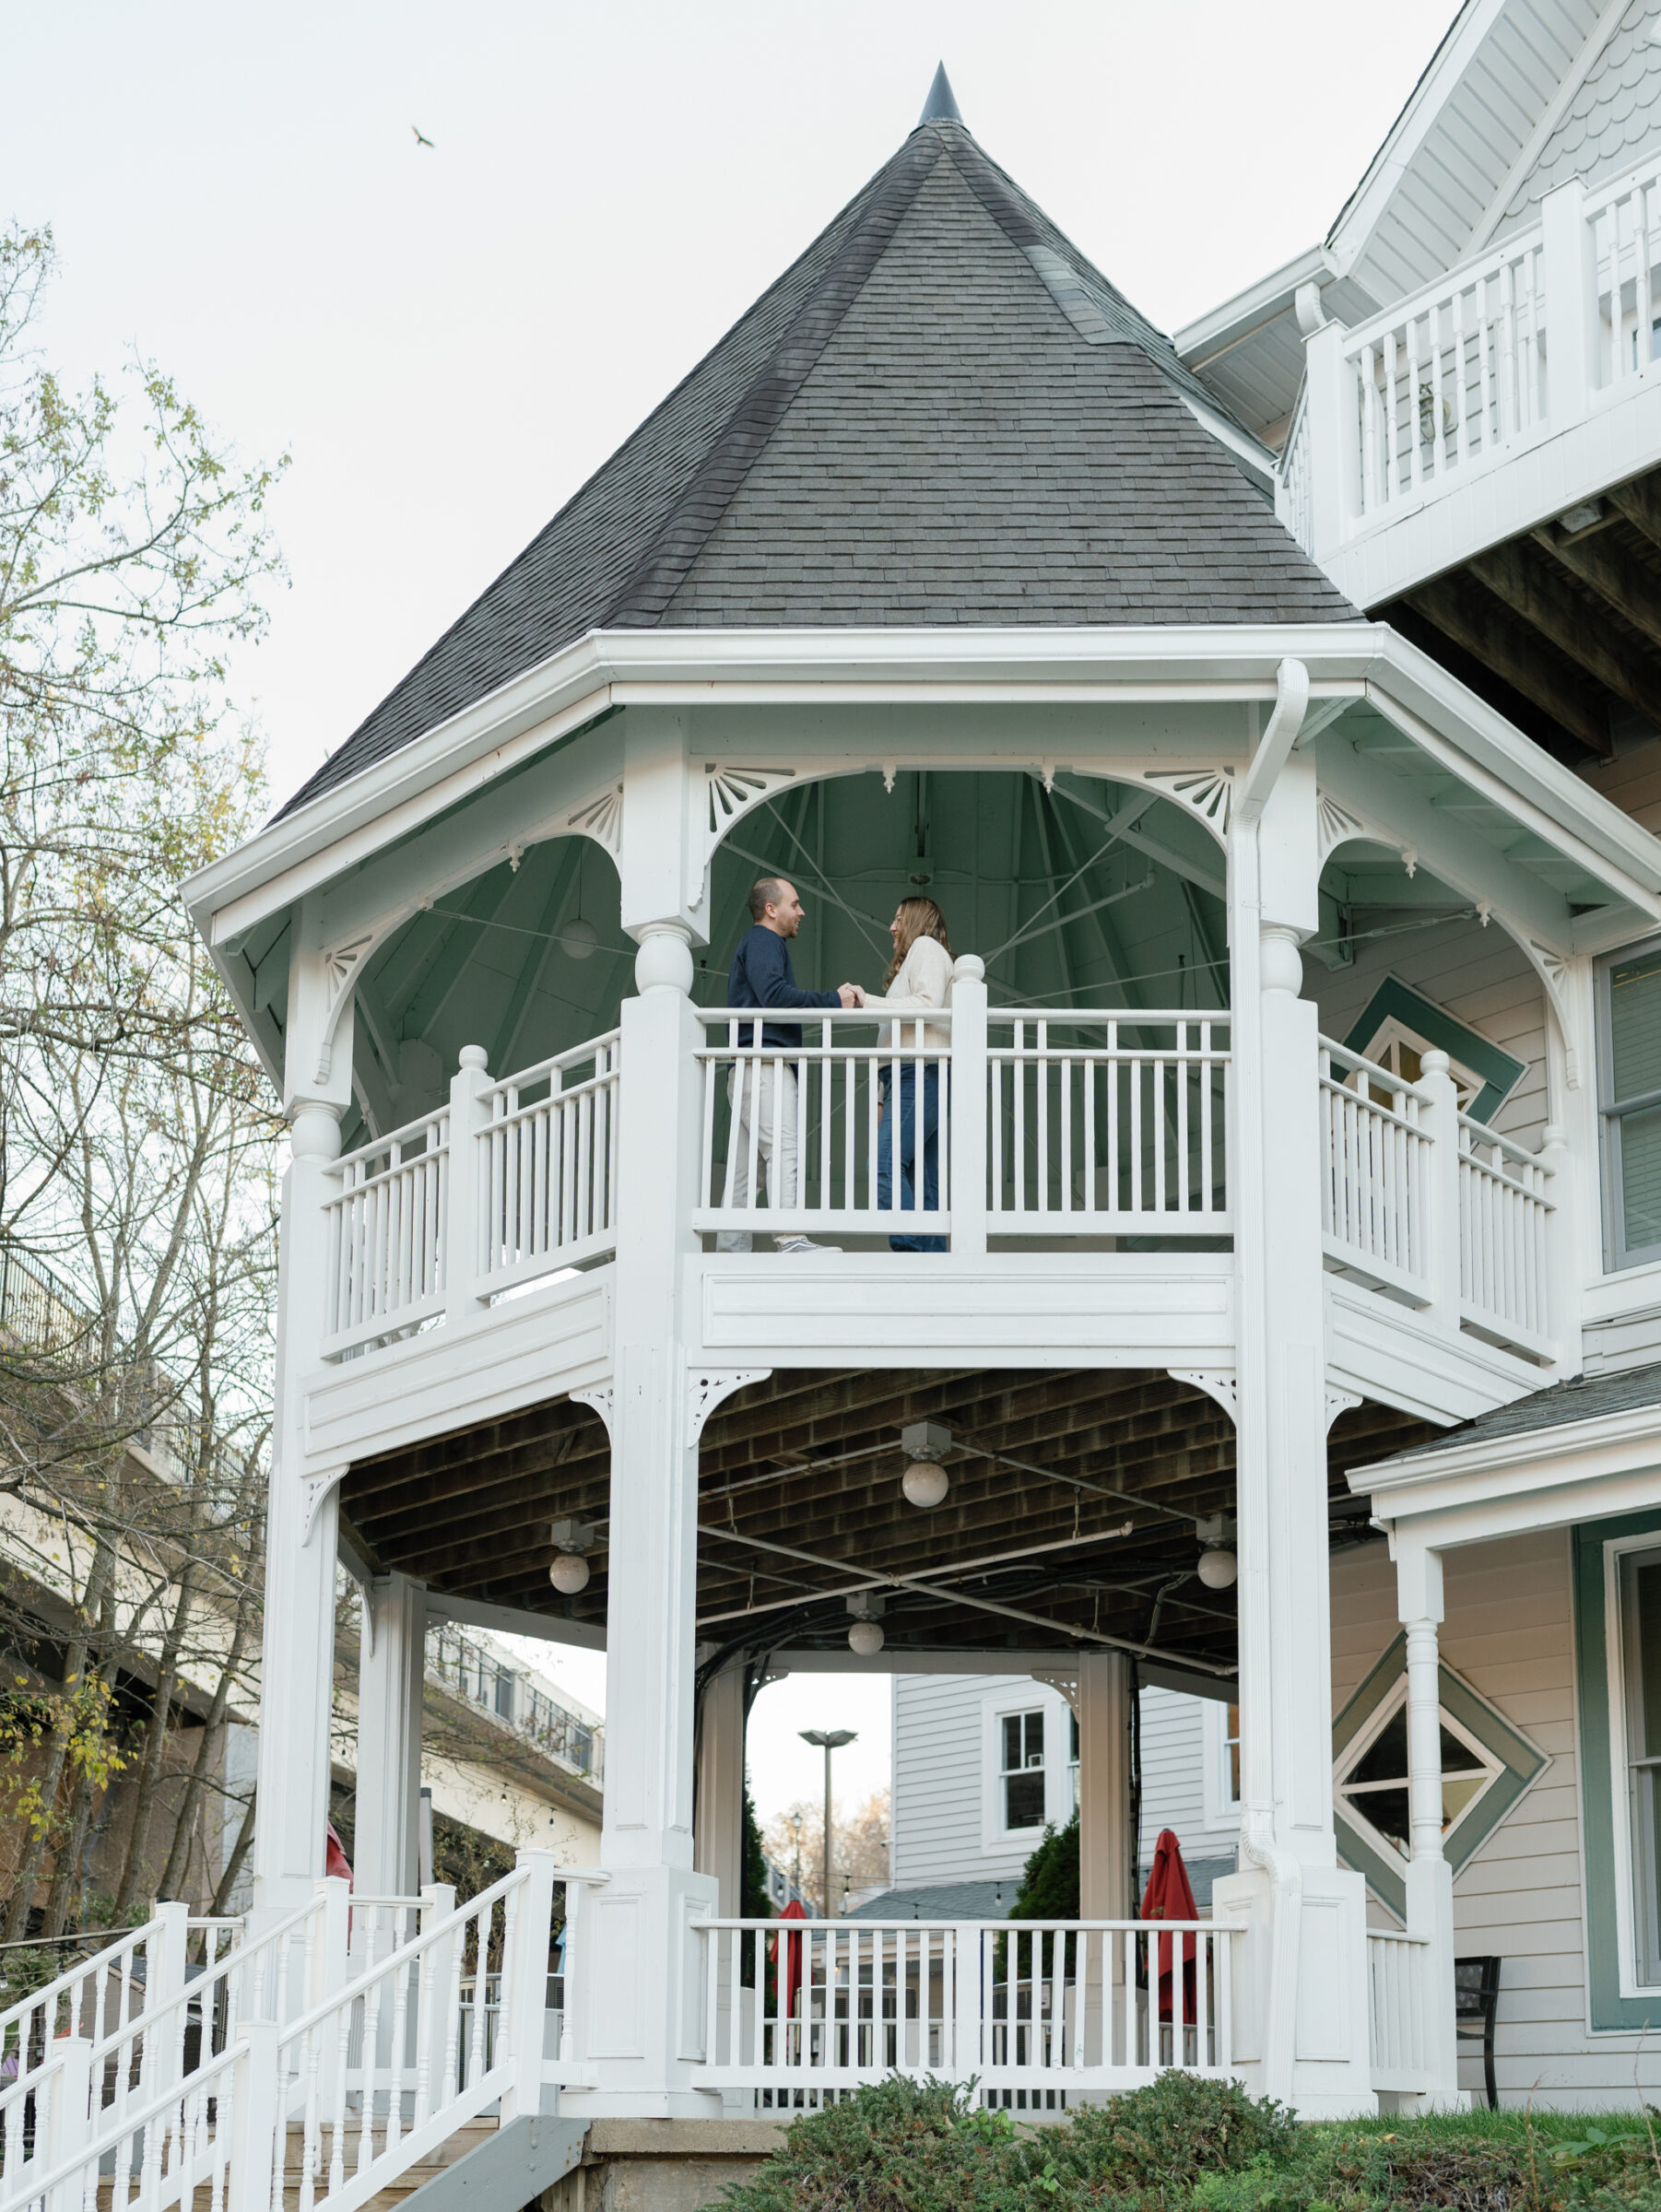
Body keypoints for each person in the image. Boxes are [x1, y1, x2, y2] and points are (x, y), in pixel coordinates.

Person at [718, 877, 864, 1254]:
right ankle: (790, 1239)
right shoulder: (765, 941)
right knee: (784, 1148)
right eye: (795, 904)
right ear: (771, 909)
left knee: (746, 1172)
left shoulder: (754, 944)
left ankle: (731, 1251)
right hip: (766, 1064)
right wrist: (834, 1000)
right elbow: (774, 996)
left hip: (746, 1067)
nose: (801, 911)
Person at [864, 897, 953, 1253]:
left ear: (916, 921)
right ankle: (931, 1259)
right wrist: (883, 1095)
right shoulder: (912, 960)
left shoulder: (926, 947)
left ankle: (910, 1253)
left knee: (884, 1165)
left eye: (899, 918)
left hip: (920, 1071)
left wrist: (866, 1000)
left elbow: (928, 1004)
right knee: (922, 1177)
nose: (892, 927)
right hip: (907, 1076)